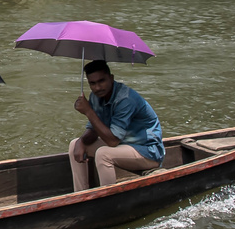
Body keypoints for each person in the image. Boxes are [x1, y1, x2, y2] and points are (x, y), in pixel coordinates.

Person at [68, 60, 164, 190]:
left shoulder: (125, 100)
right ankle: (80, 195)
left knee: (104, 154)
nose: (97, 87)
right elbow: (93, 129)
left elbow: (112, 141)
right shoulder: (96, 97)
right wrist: (81, 141)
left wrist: (88, 111)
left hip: (147, 151)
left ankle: (107, 199)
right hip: (123, 145)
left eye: (101, 81)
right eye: (92, 83)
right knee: (75, 144)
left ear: (111, 78)